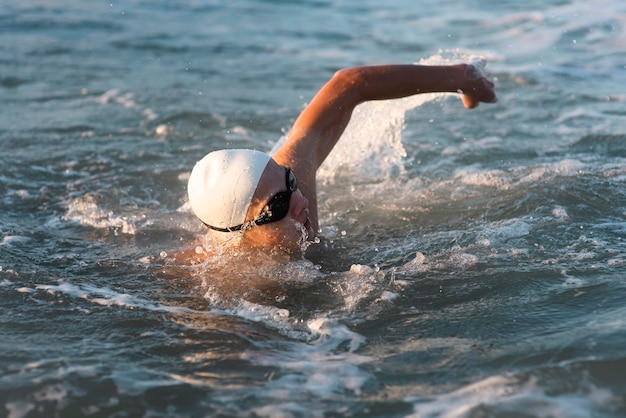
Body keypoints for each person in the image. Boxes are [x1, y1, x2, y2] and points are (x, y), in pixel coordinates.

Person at [183, 63, 497, 260]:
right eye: (278, 204)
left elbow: (349, 84)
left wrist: (459, 77)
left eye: (290, 180)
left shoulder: (289, 199)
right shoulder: (225, 290)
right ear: (239, 232)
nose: (301, 200)